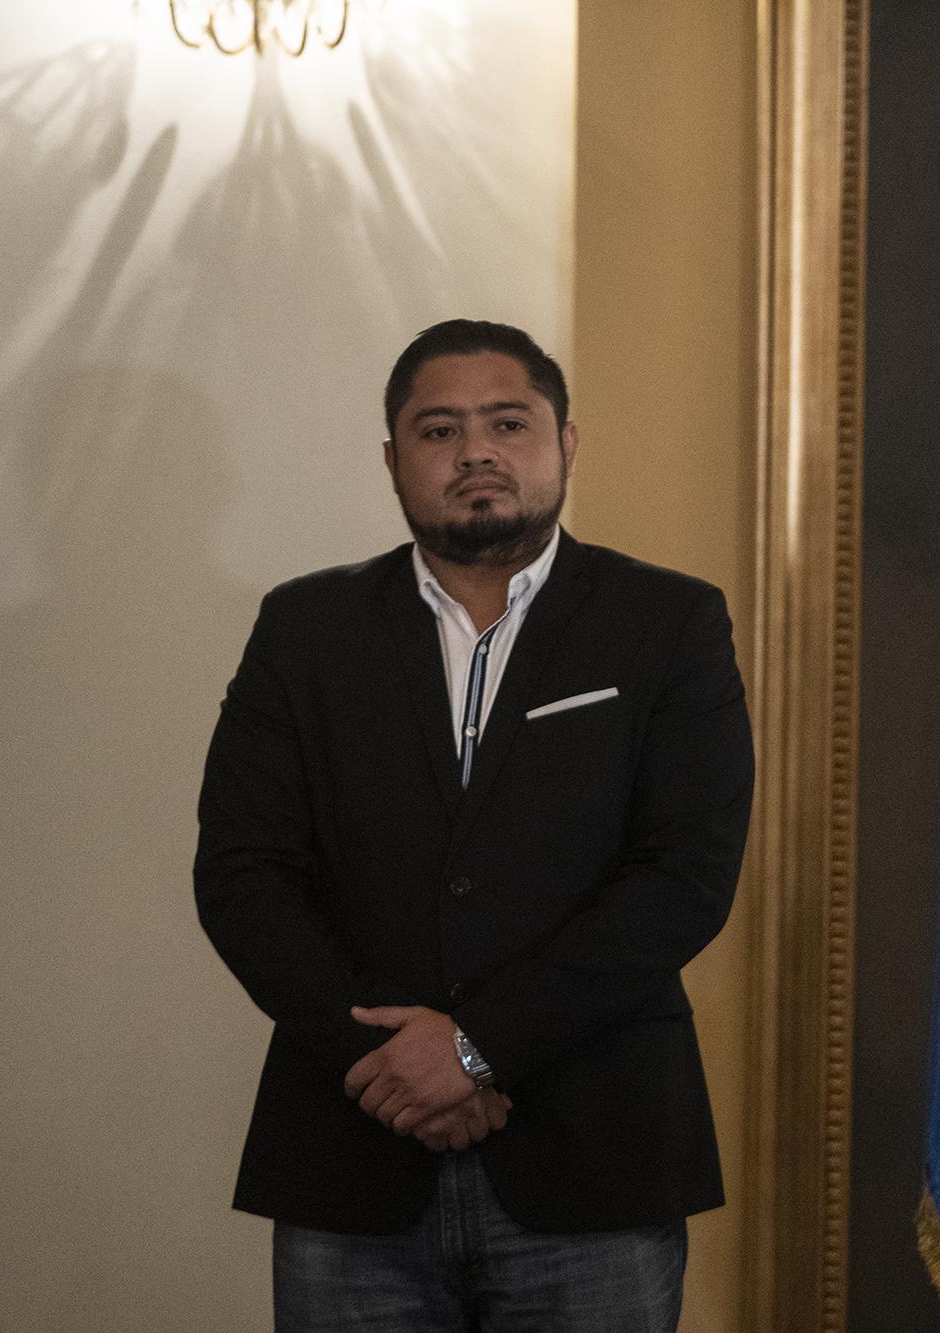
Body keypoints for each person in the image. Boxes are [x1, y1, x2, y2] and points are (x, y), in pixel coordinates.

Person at [195, 319, 753, 1331]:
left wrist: (477, 1047)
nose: (475, 452)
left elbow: (684, 875)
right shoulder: (306, 629)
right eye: (438, 430)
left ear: (565, 442)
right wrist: (396, 1065)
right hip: (350, 1151)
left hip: (593, 1155)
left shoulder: (668, 622)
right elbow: (243, 875)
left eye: (508, 422)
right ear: (393, 460)